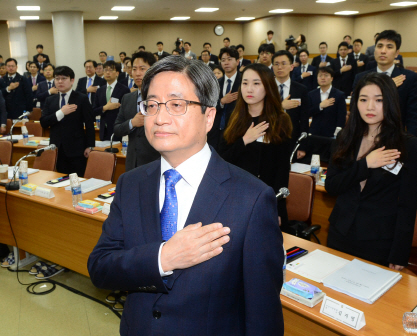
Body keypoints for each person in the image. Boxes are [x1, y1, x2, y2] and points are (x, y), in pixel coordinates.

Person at [88, 56, 284, 335]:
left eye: (177, 105)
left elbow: (262, 311)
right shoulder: (130, 184)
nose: (160, 117)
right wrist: (163, 258)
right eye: (152, 105)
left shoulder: (252, 199)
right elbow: (100, 268)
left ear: (209, 116)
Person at [325, 72, 417, 269]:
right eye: (363, 99)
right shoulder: (345, 137)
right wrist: (365, 164)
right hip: (340, 233)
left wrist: (399, 253)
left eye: (379, 100)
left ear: (391, 102)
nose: (370, 107)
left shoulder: (406, 145)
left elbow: (408, 205)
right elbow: (332, 186)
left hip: (378, 240)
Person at [220, 62, 293, 228]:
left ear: (267, 86)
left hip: (266, 200)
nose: (249, 89)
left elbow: (282, 170)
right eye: (245, 83)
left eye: (256, 83)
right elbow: (221, 161)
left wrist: (278, 207)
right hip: (235, 200)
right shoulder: (234, 118)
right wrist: (244, 140)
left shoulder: (280, 120)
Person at [353, 30, 417, 137]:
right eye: (379, 46)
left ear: (397, 53)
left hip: (396, 138)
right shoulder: (361, 78)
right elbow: (354, 112)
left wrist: (413, 145)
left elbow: (413, 116)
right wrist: (388, 85)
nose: (383, 51)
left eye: (389, 47)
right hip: (365, 137)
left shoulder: (410, 78)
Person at [40, 66, 95, 176]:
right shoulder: (50, 100)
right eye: (57, 78)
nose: (60, 81)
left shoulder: (81, 98)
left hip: (77, 149)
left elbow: (89, 123)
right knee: (59, 181)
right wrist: (61, 113)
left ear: (72, 80)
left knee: (77, 181)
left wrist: (89, 146)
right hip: (56, 149)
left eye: (64, 78)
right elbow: (44, 122)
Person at [113, 51, 159, 171]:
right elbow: (117, 128)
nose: (137, 73)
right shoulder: (127, 98)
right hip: (132, 162)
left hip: (156, 161)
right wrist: (132, 123)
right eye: (134, 69)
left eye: (142, 69)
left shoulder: (161, 98)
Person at [273, 50, 309, 153]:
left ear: (291, 67)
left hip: (292, 138)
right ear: (273, 67)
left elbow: (304, 119)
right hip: (269, 136)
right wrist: (281, 106)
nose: (280, 67)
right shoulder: (266, 88)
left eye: (284, 64)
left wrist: (302, 146)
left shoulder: (301, 89)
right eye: (276, 64)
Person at [208, 47, 242, 150]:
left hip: (236, 129)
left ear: (237, 61)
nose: (226, 62)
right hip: (216, 131)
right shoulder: (216, 83)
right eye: (223, 60)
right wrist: (222, 101)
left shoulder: (244, 82)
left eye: (229, 59)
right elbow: (209, 105)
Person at [93, 60, 129, 141]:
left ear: (117, 73)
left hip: (117, 131)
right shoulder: (100, 90)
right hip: (103, 131)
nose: (107, 73)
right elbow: (93, 110)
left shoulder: (124, 90)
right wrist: (105, 107)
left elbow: (126, 112)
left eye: (111, 70)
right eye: (105, 70)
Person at [307, 66, 347, 138]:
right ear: (317, 78)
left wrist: (336, 133)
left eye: (326, 75)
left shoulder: (339, 95)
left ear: (332, 78)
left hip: (332, 133)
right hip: (315, 132)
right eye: (320, 76)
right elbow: (307, 112)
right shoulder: (311, 94)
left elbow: (341, 116)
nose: (323, 78)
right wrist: (320, 106)